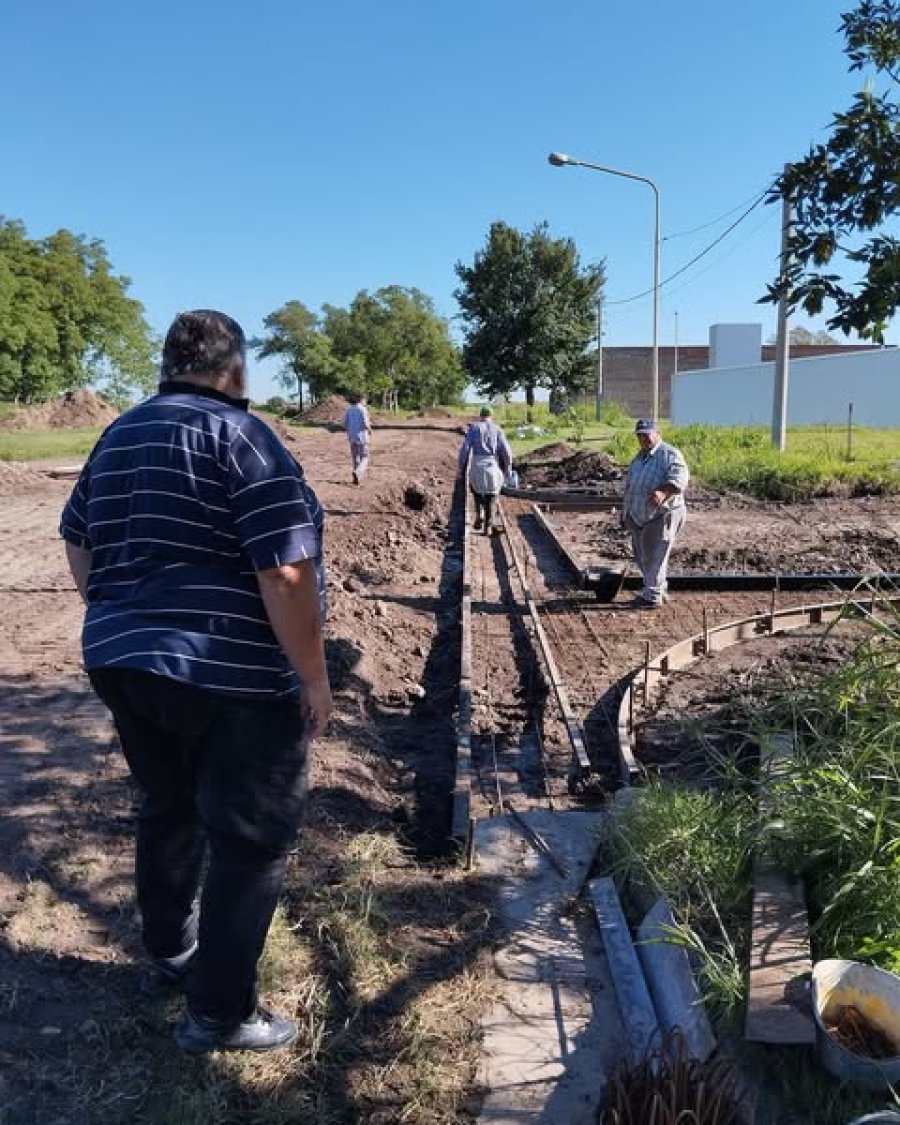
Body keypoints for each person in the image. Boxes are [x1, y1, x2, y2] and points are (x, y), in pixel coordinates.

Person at [59, 310, 332, 1054]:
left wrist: (124, 611)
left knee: (168, 805)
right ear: (235, 369)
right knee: (250, 839)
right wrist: (313, 674)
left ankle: (173, 955)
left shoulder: (118, 434)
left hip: (124, 662)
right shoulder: (242, 436)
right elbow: (283, 569)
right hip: (229, 672)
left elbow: (77, 538)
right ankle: (218, 1013)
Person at [620, 418, 689, 609]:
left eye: (647, 434)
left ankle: (652, 597)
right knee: (642, 555)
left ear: (657, 433)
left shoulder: (669, 454)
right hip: (640, 515)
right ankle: (658, 589)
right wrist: (625, 512)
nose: (643, 439)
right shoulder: (639, 458)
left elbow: (680, 479)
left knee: (654, 555)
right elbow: (630, 487)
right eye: (640, 435)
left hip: (664, 514)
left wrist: (663, 491)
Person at [457, 405, 513, 535]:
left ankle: (479, 513)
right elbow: (506, 452)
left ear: (480, 415)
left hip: (477, 463)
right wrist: (507, 468)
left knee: (476, 489)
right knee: (492, 495)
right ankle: (488, 525)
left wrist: (461, 467)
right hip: (492, 464)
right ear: (491, 416)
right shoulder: (498, 430)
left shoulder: (474, 428)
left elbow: (465, 449)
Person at [343, 392, 372, 485]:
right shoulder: (363, 409)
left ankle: (356, 478)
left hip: (352, 437)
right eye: (365, 400)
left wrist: (350, 430)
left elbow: (344, 423)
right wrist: (370, 430)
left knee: (355, 457)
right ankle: (358, 472)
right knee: (365, 457)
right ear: (362, 399)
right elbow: (366, 423)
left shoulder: (349, 409)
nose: (366, 402)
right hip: (362, 436)